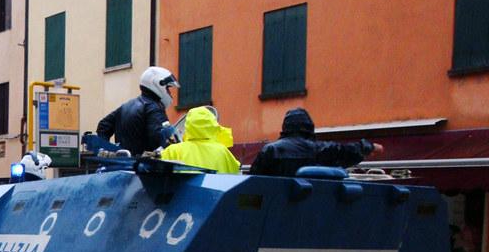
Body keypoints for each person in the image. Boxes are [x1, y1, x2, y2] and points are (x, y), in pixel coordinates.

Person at [249, 108, 384, 177]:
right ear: (309, 127)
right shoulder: (320, 149)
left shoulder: (271, 150)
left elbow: (253, 182)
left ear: (285, 127)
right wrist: (368, 147)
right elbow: (344, 151)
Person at [96, 66, 179, 156]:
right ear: (158, 84)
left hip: (123, 163)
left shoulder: (126, 106)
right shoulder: (154, 108)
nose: (169, 93)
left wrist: (108, 150)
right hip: (146, 166)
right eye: (167, 88)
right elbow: (159, 138)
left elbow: (103, 126)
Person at [161, 106, 241, 174]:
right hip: (215, 192)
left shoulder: (172, 150)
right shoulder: (222, 151)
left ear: (188, 125)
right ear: (213, 125)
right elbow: (235, 173)